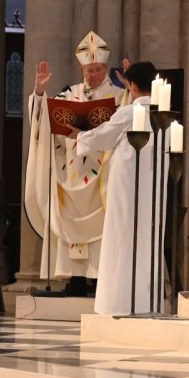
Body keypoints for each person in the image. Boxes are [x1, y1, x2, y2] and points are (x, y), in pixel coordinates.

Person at [24, 32, 127, 287]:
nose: (93, 75)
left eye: (98, 70)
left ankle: (98, 278)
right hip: (70, 170)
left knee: (102, 222)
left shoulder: (118, 96)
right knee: (69, 221)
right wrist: (39, 93)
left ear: (106, 69)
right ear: (81, 69)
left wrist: (129, 87)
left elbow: (130, 120)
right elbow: (43, 122)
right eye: (88, 70)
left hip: (101, 171)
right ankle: (75, 278)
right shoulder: (69, 94)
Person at [65, 61, 164, 316]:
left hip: (127, 188)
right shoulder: (163, 114)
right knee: (146, 239)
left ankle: (118, 301)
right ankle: (145, 301)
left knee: (121, 237)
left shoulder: (129, 112)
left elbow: (103, 136)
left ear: (131, 86)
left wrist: (80, 136)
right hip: (153, 189)